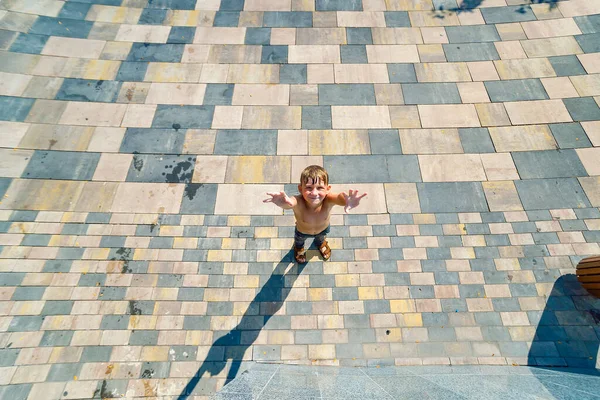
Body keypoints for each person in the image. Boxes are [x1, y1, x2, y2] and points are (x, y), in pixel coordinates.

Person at [264, 165, 367, 263]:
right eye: (309, 188)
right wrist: (284, 203)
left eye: (320, 188)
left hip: (322, 230)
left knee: (321, 238)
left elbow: (338, 198)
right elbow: (290, 203)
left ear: (328, 189)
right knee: (299, 241)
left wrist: (346, 200)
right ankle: (299, 248)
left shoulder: (328, 200)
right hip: (302, 232)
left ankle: (320, 243)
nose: (314, 193)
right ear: (300, 189)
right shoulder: (298, 201)